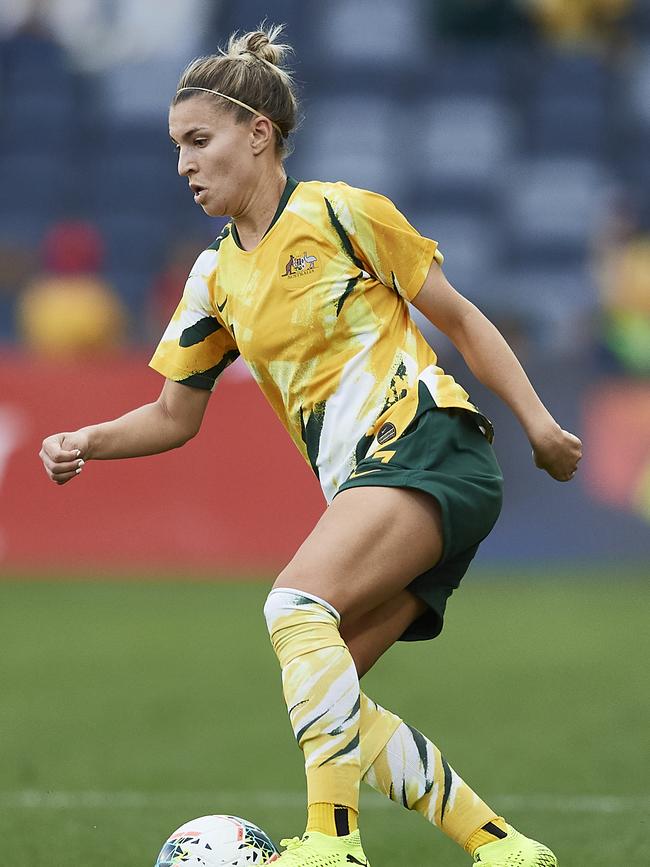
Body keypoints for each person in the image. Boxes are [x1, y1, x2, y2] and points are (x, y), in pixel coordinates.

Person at [39, 24, 582, 867]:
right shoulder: (212, 277)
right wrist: (88, 438)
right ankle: (504, 847)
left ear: (259, 133)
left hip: (428, 443)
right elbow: (173, 415)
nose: (182, 163)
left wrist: (540, 423)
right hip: (384, 481)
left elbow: (465, 319)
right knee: (327, 696)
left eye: (198, 140)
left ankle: (333, 846)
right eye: (175, 146)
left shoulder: (341, 212)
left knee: (294, 607)